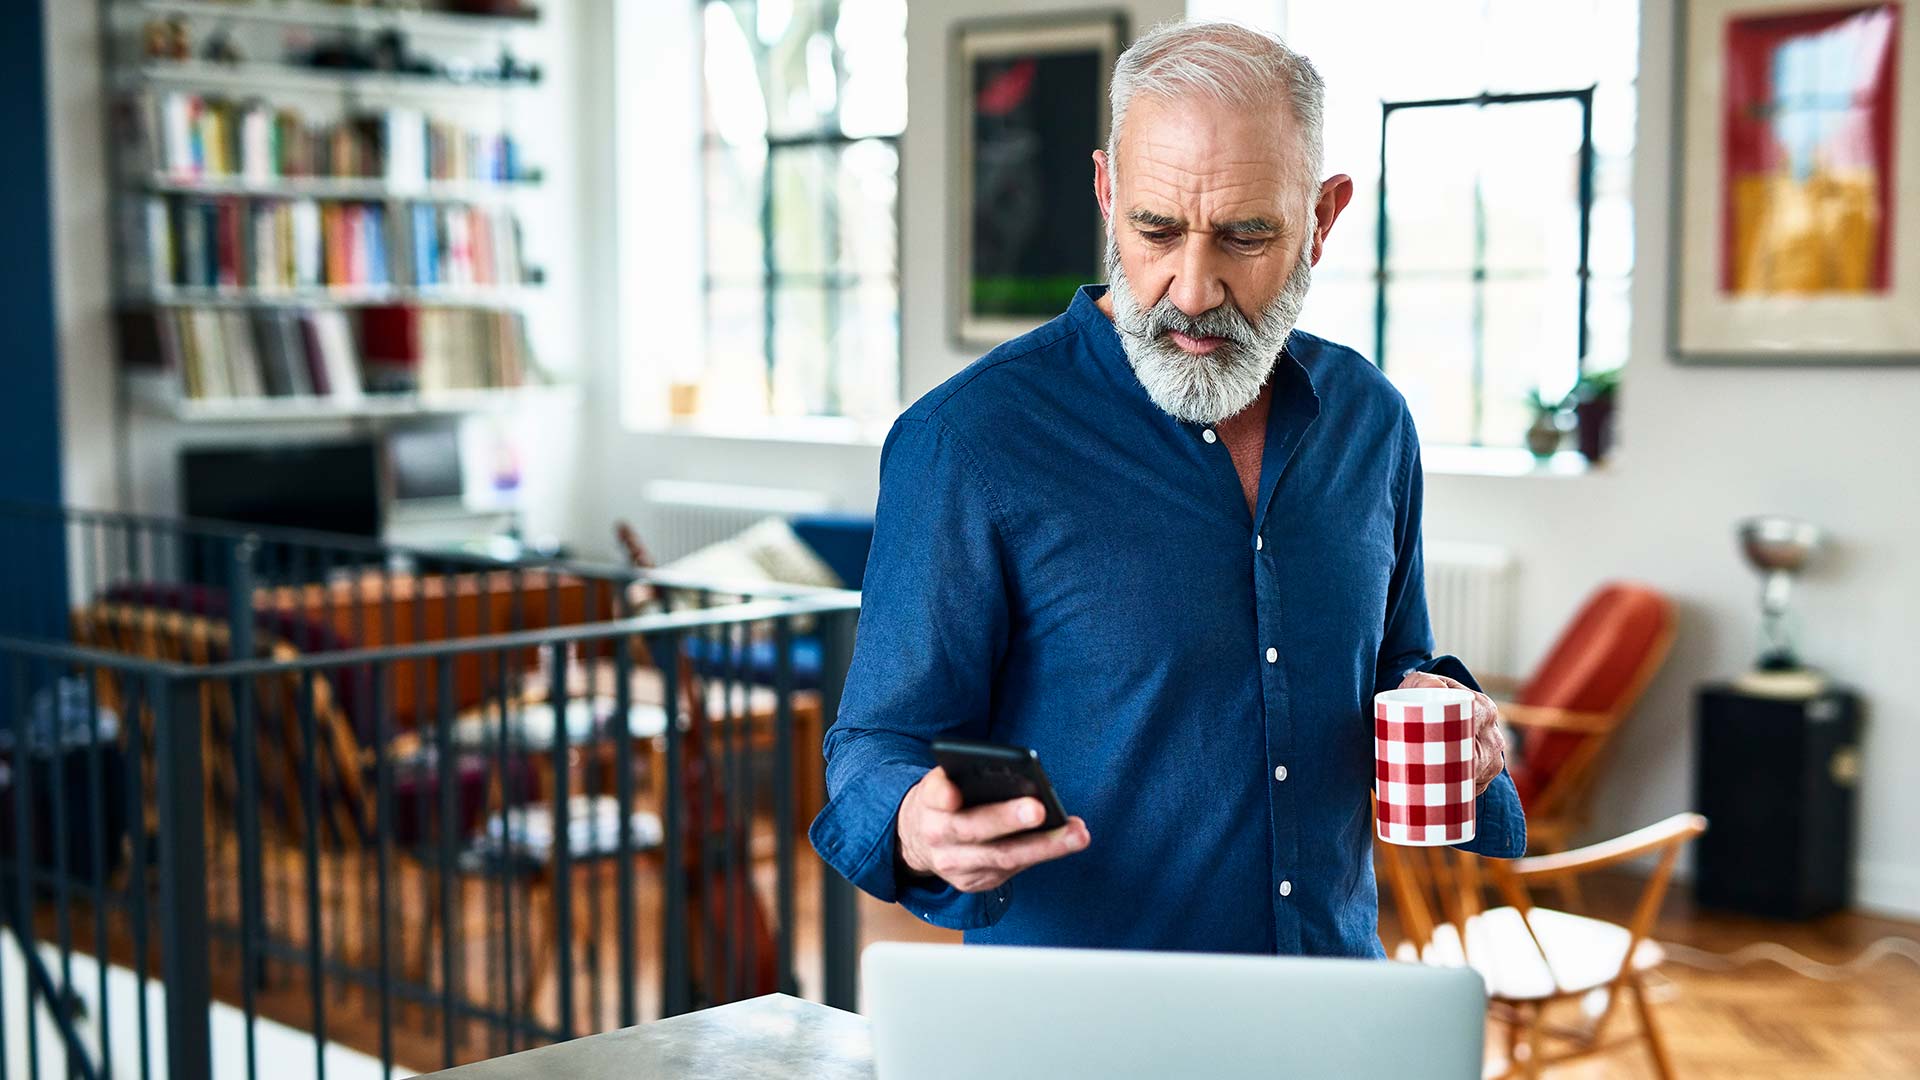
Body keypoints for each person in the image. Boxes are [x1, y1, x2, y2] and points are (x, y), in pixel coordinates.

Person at [808, 19, 1524, 957]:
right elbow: (875, 746)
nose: (1192, 287)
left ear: (1324, 217)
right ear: (1108, 193)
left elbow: (1396, 667)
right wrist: (913, 820)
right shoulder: (970, 443)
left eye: (1245, 235)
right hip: (1084, 1033)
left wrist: (1460, 730)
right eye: (1156, 229)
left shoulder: (1372, 423)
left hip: (1332, 1011)